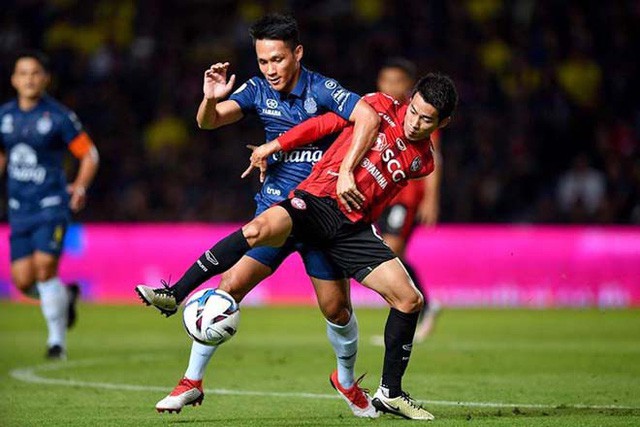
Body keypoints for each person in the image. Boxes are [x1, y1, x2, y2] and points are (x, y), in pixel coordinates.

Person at [137, 72, 458, 420]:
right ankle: (178, 305)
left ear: (444, 123)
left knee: (391, 302)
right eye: (414, 112)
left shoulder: (421, 162)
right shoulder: (374, 105)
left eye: (426, 120)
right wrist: (276, 146)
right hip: (311, 204)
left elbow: (376, 187)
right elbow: (322, 124)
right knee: (250, 246)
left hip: (349, 229)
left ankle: (381, 390)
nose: (414, 123)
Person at [137, 14, 380, 417]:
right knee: (229, 285)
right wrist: (210, 98)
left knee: (336, 310)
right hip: (275, 214)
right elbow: (208, 122)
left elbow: (367, 116)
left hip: (320, 217)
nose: (270, 69)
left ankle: (347, 381)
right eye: (263, 61)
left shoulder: (322, 89)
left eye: (278, 60)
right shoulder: (255, 91)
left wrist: (348, 170)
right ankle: (191, 381)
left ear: (297, 53)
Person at [0, 50, 99, 360]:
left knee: (45, 270)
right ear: (14, 80)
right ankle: (65, 296)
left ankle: (56, 343)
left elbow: (89, 154)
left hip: (51, 204)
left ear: (45, 79)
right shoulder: (4, 116)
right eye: (23, 73)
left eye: (35, 73)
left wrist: (80, 186)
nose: (29, 79)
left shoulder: (58, 117)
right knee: (23, 280)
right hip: (19, 208)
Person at [375, 58, 443, 342]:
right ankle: (420, 306)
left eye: (397, 81)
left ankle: (414, 309)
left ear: (408, 86)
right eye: (386, 80)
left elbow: (435, 158)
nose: (391, 87)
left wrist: (431, 198)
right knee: (392, 255)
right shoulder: (378, 111)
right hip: (382, 195)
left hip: (406, 195)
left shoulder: (418, 116)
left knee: (389, 252)